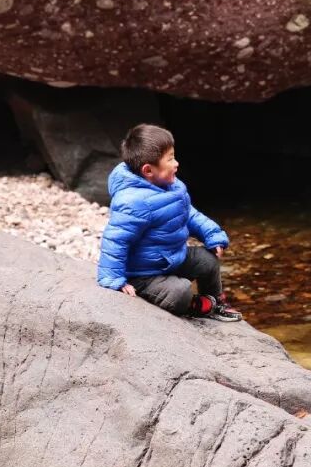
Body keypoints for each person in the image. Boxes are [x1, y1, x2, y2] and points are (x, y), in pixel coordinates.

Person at [97, 123, 243, 322]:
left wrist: (211, 234)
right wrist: (113, 279)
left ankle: (215, 301)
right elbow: (115, 240)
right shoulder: (133, 202)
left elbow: (189, 214)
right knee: (180, 291)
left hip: (171, 258)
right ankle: (195, 305)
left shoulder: (171, 186)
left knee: (208, 260)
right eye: (170, 159)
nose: (176, 164)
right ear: (148, 170)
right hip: (143, 274)